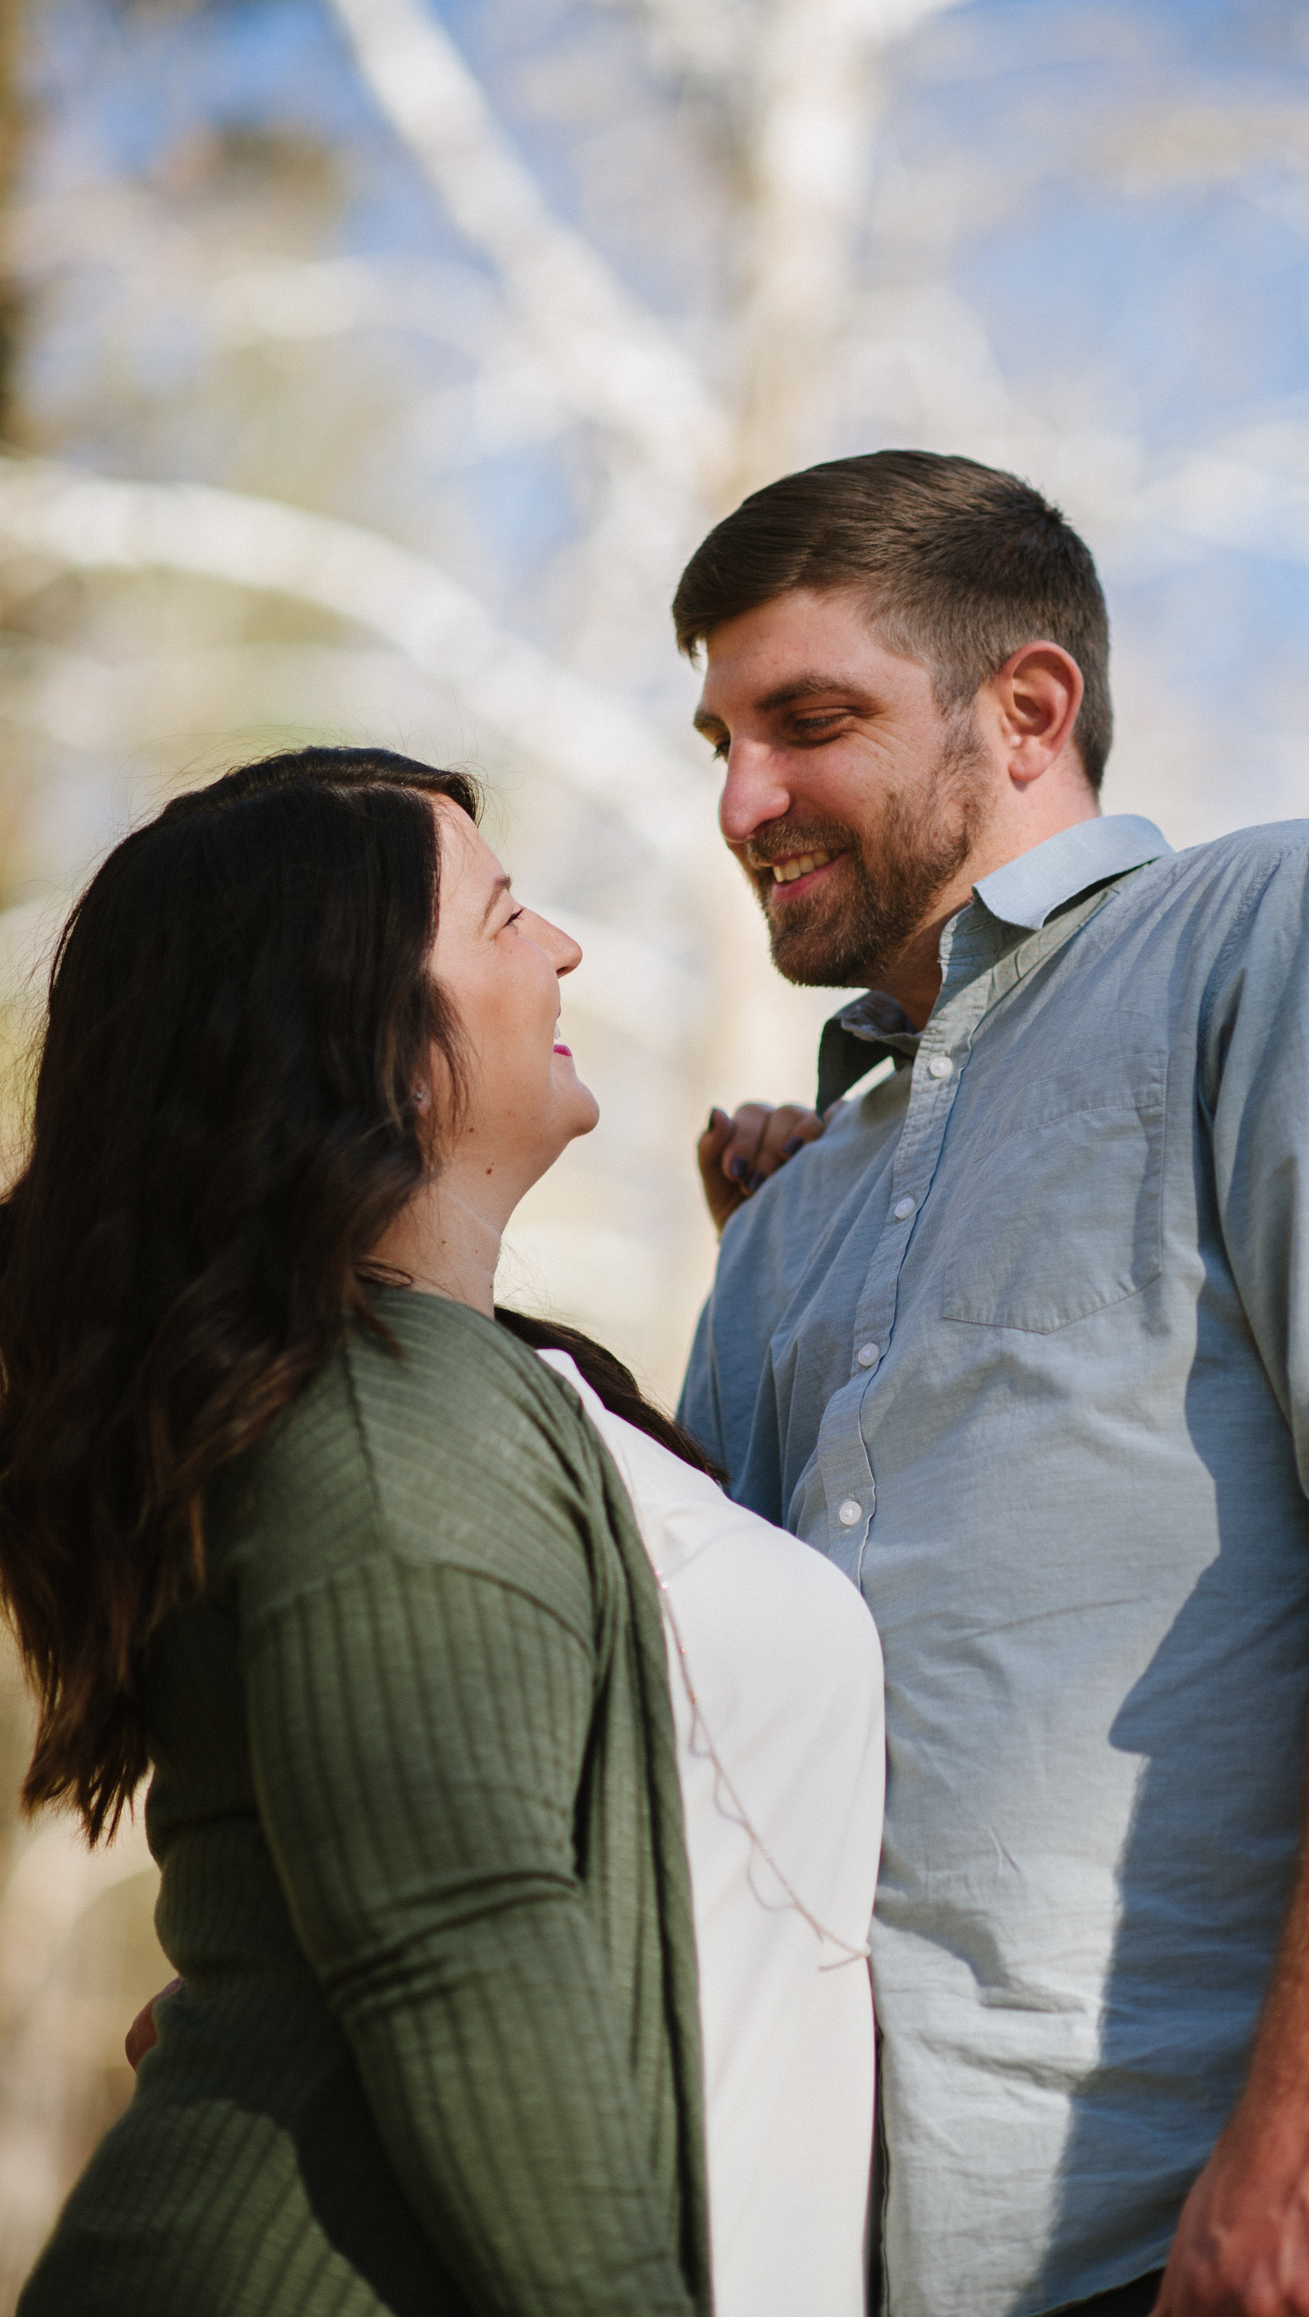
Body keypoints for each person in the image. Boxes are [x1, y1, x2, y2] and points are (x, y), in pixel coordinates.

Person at [674, 451, 1309, 2317]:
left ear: (1026, 709)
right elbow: (714, 1741)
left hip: (1266, 2212)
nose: (740, 799)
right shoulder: (783, 1224)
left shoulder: (1279, 929)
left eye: (810, 721)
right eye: (717, 737)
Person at [1, 746, 883, 2317]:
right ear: (361, 1031)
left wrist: (799, 1270)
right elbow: (460, 1952)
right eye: (501, 917)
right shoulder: (380, 1416)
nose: (562, 948)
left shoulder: (481, 1389)